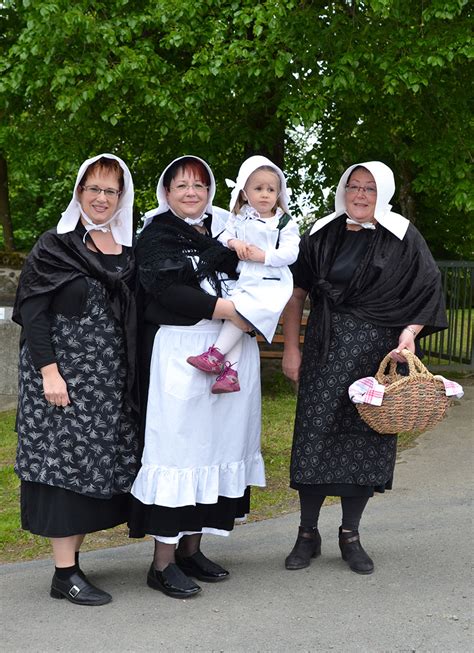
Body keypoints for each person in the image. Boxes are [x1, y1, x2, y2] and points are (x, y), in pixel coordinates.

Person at [282, 161, 447, 575]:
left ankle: (350, 535)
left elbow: (428, 290)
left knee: (363, 439)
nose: (359, 195)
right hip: (324, 349)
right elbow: (296, 293)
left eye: (369, 188)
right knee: (314, 436)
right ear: (343, 190)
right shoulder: (321, 233)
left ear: (384, 193)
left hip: (375, 357)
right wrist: (291, 348)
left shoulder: (402, 236)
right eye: (353, 186)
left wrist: (408, 334)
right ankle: (306, 534)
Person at [129, 155, 265, 598]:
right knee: (180, 451)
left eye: (200, 186)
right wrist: (232, 311)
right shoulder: (156, 234)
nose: (192, 193)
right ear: (166, 192)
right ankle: (162, 563)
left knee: (216, 445)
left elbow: (262, 272)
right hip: (182, 350)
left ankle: (191, 549)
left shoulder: (226, 230)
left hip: (230, 348)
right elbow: (165, 288)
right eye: (182, 185)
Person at [13, 153, 139, 606]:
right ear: (79, 193)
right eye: (93, 189)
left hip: (107, 385)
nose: (101, 198)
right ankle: (64, 573)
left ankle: (70, 568)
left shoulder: (128, 252)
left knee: (92, 470)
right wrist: (49, 371)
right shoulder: (55, 245)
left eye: (111, 190)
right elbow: (32, 311)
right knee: (62, 469)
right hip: (60, 379)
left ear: (121, 198)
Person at [187, 155, 300, 394]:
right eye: (258, 188)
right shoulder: (241, 217)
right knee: (235, 318)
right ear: (245, 192)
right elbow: (224, 235)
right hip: (247, 279)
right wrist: (235, 243)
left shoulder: (283, 223)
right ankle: (230, 373)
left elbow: (291, 253)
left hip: (272, 282)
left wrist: (264, 257)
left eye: (271, 189)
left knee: (240, 313)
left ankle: (215, 354)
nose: (265, 194)